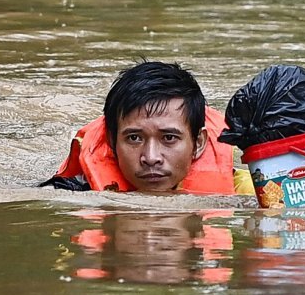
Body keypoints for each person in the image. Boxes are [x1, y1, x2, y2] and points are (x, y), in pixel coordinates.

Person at [40, 60, 253, 194]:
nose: (151, 157)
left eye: (169, 137)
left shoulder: (247, 192)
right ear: (112, 142)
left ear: (198, 143)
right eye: (134, 138)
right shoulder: (73, 191)